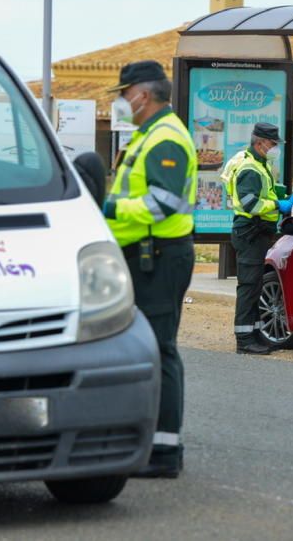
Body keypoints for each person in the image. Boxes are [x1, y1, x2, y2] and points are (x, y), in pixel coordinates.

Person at [101, 60, 197, 479]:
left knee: (160, 348)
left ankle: (164, 451)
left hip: (159, 255)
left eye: (125, 93)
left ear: (143, 93)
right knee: (142, 347)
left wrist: (112, 207)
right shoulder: (148, 134)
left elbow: (165, 203)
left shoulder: (165, 138)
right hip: (140, 253)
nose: (122, 101)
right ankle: (144, 441)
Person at [225, 123, 293, 355]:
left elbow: (262, 196)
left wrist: (281, 199)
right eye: (272, 144)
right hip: (250, 231)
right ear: (259, 143)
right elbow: (250, 204)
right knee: (249, 286)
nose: (275, 148)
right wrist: (279, 205)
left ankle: (256, 334)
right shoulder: (250, 168)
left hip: (257, 232)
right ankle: (244, 339)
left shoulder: (260, 163)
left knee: (255, 285)